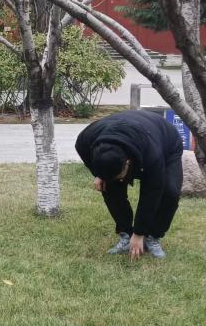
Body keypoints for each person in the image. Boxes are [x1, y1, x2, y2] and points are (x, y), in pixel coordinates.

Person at [74, 110, 184, 259]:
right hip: (124, 132)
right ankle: (126, 233)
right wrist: (99, 174)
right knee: (109, 186)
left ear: (127, 163)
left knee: (170, 191)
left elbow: (152, 192)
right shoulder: (85, 140)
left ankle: (153, 236)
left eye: (121, 176)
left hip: (166, 142)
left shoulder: (152, 153)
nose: (121, 180)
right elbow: (86, 156)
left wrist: (139, 232)